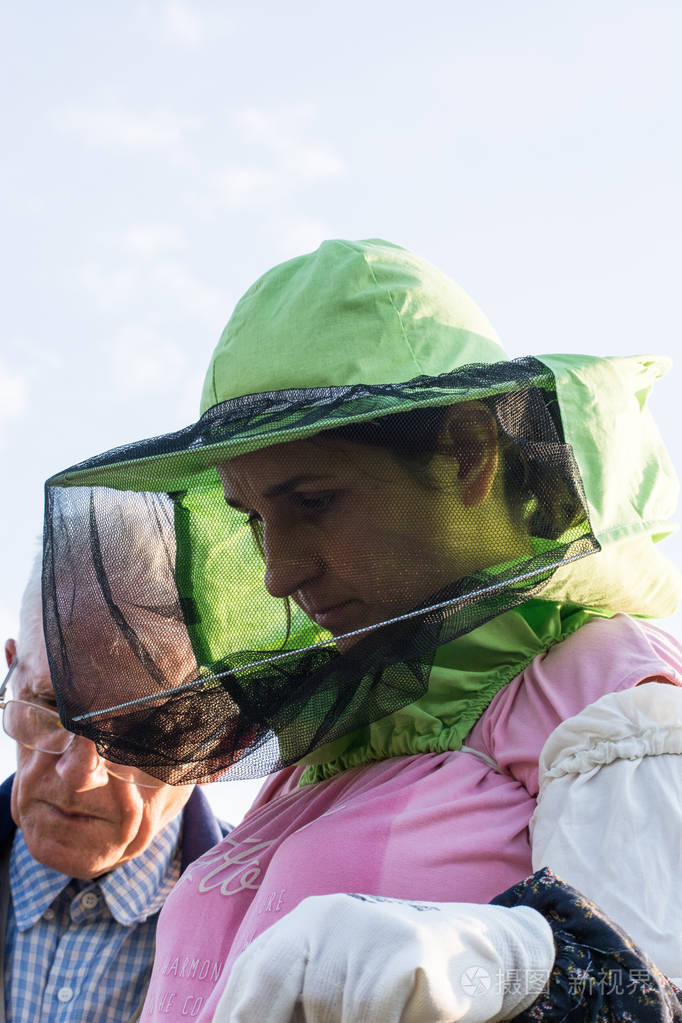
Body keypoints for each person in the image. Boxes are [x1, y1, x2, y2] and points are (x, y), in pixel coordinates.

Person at [42, 239, 682, 1021]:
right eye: (254, 519)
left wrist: (499, 966)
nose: (278, 573)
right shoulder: (332, 735)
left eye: (313, 501)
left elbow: (650, 987)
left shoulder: (611, 692)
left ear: (468, 454)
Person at [1, 536, 230, 1022]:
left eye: (137, 732)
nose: (78, 773)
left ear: (219, 739)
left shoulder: (269, 925)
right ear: (12, 673)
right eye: (51, 707)